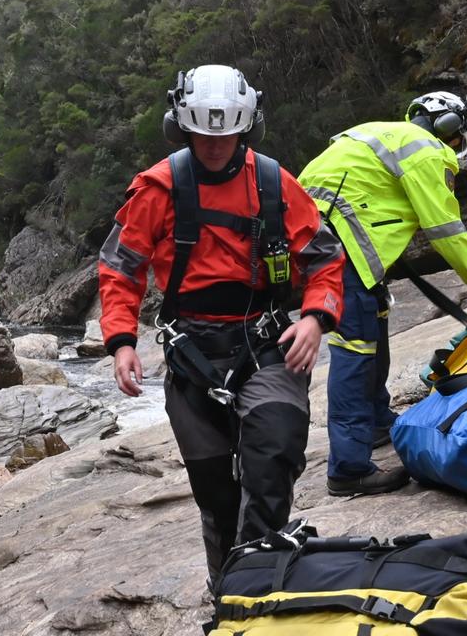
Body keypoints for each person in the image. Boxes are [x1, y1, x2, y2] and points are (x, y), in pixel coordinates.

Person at [98, 64, 344, 583]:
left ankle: (258, 583)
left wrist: (317, 318)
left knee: (273, 453)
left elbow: (323, 258)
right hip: (192, 354)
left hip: (265, 342)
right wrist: (121, 341)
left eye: (227, 133)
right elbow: (122, 268)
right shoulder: (158, 189)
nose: (215, 145)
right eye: (205, 134)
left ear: (245, 127)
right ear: (181, 125)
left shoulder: (275, 183)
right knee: (216, 492)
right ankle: (227, 590)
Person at [297, 91, 467, 497]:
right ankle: (349, 469)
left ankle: (376, 423)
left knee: (372, 330)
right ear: (450, 128)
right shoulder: (427, 150)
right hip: (341, 250)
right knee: (355, 351)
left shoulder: (377, 132)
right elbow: (446, 231)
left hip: (316, 240)